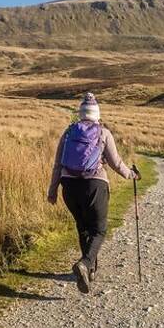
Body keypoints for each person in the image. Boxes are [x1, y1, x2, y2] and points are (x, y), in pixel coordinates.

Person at [47, 93, 140, 294]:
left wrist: (52, 191)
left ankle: (90, 271)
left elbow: (57, 164)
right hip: (94, 184)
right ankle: (85, 263)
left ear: (81, 114)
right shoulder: (103, 133)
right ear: (97, 114)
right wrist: (131, 175)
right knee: (99, 229)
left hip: (68, 186)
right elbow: (116, 163)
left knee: (83, 227)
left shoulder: (69, 132)